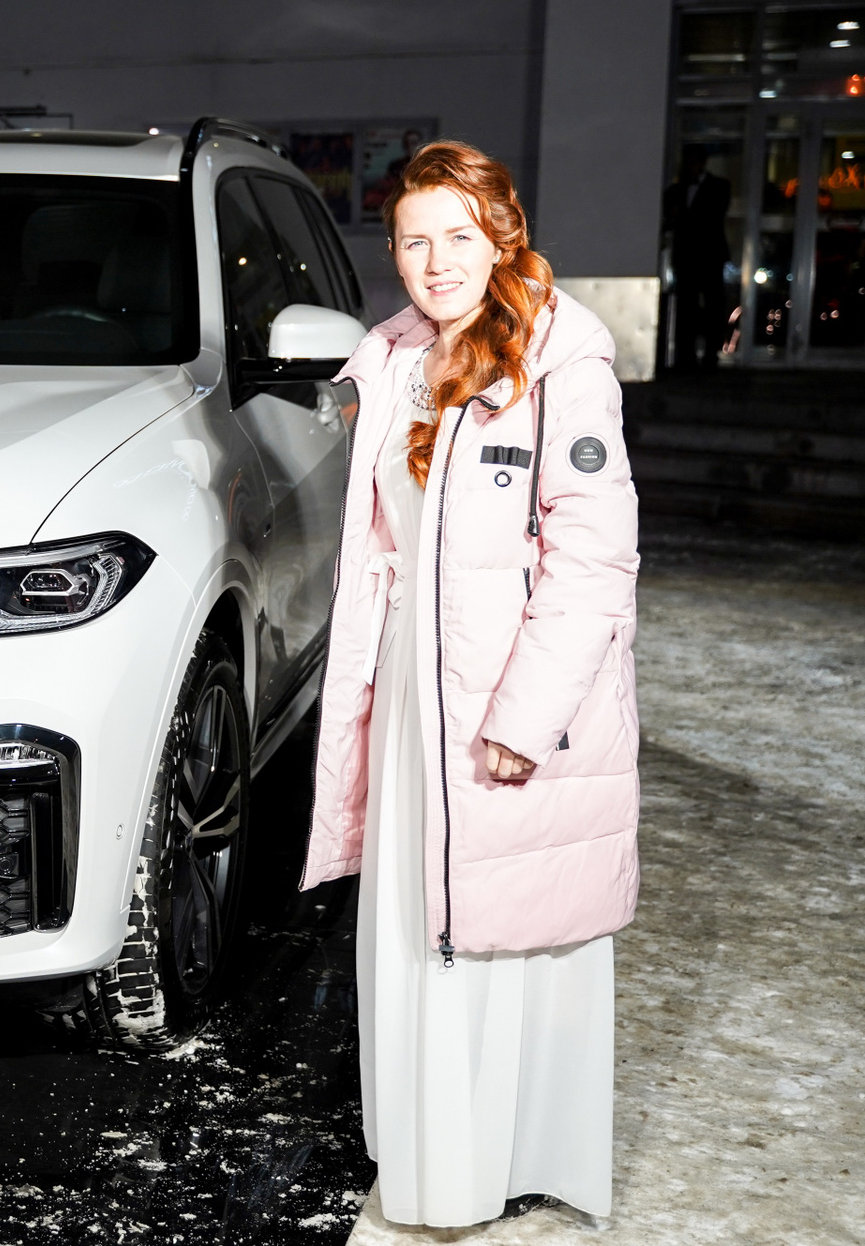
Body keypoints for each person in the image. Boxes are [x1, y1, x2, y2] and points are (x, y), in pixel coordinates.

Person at [301, 140, 640, 1227]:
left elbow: (596, 561)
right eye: (414, 240)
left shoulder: (561, 361)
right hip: (414, 682)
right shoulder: (396, 357)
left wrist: (526, 719)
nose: (436, 261)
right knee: (421, 919)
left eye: (459, 235)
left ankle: (488, 1160)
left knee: (498, 923)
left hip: (507, 695)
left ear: (502, 237)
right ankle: (427, 1149)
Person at [662, 144, 733, 369]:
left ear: (702, 163)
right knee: (686, 308)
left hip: (710, 255)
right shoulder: (676, 189)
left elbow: (712, 216)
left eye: (693, 162)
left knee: (713, 306)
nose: (689, 167)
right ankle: (686, 356)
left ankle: (711, 354)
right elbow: (668, 219)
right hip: (687, 256)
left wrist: (681, 215)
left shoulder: (719, 186)